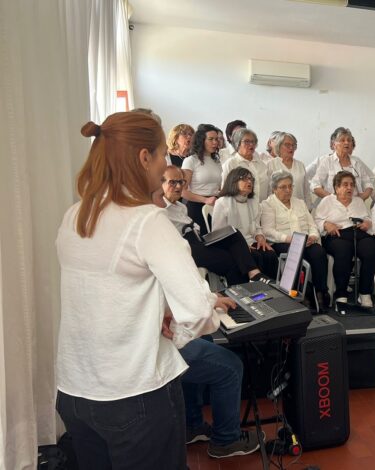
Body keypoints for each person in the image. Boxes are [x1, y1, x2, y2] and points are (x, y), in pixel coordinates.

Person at [55, 112, 243, 469]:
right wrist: (179, 330)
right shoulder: (146, 221)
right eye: (161, 156)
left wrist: (161, 310)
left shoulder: (76, 214)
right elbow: (199, 311)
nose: (165, 166)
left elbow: (108, 289)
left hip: (75, 390)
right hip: (134, 394)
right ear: (144, 157)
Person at [156, 165, 266, 285]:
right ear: (161, 184)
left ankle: (254, 274)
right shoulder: (159, 209)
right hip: (184, 247)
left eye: (181, 182)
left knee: (232, 233)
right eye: (172, 182)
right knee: (229, 259)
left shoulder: (181, 207)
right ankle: (242, 290)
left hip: (198, 239)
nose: (178, 186)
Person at [260, 171, 330, 308]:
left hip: (306, 241)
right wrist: (289, 239)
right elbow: (268, 231)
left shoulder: (300, 203)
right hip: (283, 242)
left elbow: (312, 225)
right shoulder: (267, 205)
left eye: (290, 186)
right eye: (283, 187)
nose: (288, 190)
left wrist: (313, 236)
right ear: (274, 189)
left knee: (319, 253)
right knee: (295, 253)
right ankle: (298, 293)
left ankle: (320, 292)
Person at [313, 171, 375, 307]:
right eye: (345, 185)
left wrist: (367, 223)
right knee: (343, 250)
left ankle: (365, 293)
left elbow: (367, 218)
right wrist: (326, 224)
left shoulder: (358, 201)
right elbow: (316, 220)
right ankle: (341, 293)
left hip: (358, 232)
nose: (349, 188)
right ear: (336, 188)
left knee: (371, 248)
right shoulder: (327, 201)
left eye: (352, 185)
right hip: (336, 235)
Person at [212, 167, 279, 278]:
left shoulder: (253, 202)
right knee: (256, 256)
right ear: (233, 181)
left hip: (251, 241)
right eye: (244, 179)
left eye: (251, 179)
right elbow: (218, 234)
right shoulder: (222, 203)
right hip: (232, 246)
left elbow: (257, 227)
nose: (249, 182)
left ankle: (271, 286)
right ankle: (257, 285)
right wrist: (241, 247)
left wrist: (260, 237)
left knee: (270, 254)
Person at [181, 124, 223, 235]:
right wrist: (205, 200)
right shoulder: (190, 161)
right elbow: (183, 191)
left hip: (215, 206)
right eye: (211, 139)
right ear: (201, 140)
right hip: (197, 207)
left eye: (216, 139)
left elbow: (218, 187)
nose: (215, 142)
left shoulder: (217, 161)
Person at [311, 128, 374, 201]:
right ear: (334, 144)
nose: (346, 143)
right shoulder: (327, 161)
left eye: (349, 140)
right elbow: (314, 184)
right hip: (333, 204)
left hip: (355, 203)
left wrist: (362, 197)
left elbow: (368, 183)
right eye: (342, 140)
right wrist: (331, 198)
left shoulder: (357, 161)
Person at [220, 128, 271, 202]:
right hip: (240, 206)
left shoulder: (262, 164)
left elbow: (269, 189)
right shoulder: (231, 164)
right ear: (237, 144)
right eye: (246, 141)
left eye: (253, 141)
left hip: (262, 206)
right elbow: (225, 191)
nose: (251, 144)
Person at [267, 132, 312, 206]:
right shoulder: (271, 164)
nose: (291, 148)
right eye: (287, 145)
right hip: (279, 208)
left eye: (293, 145)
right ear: (279, 146)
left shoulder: (300, 165)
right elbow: (269, 191)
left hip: (299, 208)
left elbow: (306, 190)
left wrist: (308, 207)